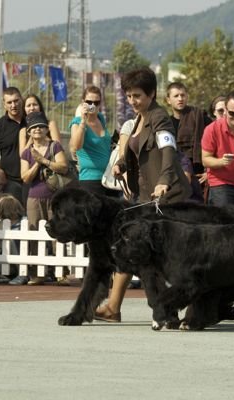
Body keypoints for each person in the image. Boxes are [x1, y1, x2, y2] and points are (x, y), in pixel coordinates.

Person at [94, 67, 192, 322]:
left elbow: (169, 152)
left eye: (137, 95)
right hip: (144, 198)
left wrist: (164, 181)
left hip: (167, 199)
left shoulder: (160, 118)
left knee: (160, 257)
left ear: (152, 94)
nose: (132, 101)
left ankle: (173, 308)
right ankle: (114, 307)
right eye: (128, 96)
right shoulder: (138, 118)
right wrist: (122, 165)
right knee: (130, 248)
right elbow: (136, 152)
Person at [14, 111, 69, 285]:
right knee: (34, 234)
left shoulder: (55, 146)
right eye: (33, 127)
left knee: (58, 232)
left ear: (47, 130)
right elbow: (25, 177)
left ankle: (61, 273)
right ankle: (37, 273)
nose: (37, 130)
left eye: (41, 127)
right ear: (29, 132)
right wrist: (37, 161)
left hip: (55, 196)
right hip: (34, 197)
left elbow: (63, 167)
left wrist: (44, 161)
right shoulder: (26, 153)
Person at [69, 85, 118, 197]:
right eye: (89, 102)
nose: (93, 105)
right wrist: (83, 121)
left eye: (96, 103)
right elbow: (77, 146)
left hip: (108, 178)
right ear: (83, 102)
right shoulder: (76, 122)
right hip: (90, 180)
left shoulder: (100, 118)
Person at [165, 82, 209, 177]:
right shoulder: (166, 123)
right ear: (168, 100)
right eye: (176, 96)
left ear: (187, 97)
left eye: (183, 95)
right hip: (176, 172)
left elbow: (216, 141)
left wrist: (209, 172)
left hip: (199, 172)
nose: (180, 99)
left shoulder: (199, 117)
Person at [0, 195, 25, 284]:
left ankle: (22, 274)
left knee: (10, 242)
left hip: (21, 256)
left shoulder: (23, 223)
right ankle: (0, 274)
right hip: (6, 259)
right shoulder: (0, 223)